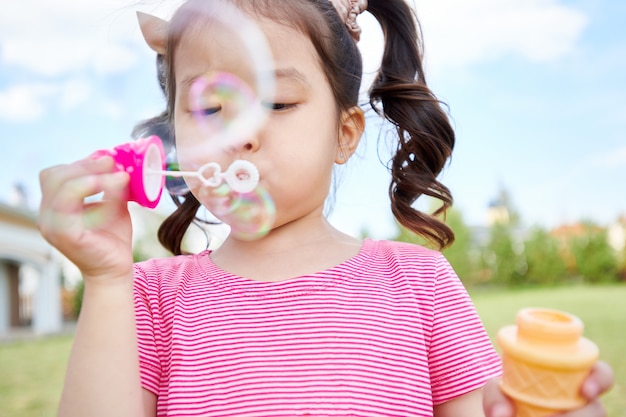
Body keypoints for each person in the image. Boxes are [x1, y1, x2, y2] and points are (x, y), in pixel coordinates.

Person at [38, 0, 614, 416]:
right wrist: (106, 280)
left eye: (279, 102)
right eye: (210, 108)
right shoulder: (148, 298)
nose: (239, 135)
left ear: (344, 134)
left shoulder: (417, 284)